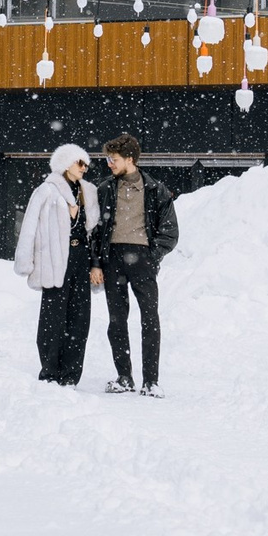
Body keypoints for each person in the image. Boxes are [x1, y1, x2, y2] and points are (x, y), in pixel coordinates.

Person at [93, 134, 179, 394]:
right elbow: (95, 231)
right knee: (117, 321)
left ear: (129, 159)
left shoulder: (156, 189)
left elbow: (170, 232)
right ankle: (124, 378)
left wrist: (152, 257)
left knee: (150, 320)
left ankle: (151, 381)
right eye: (109, 159)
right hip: (112, 260)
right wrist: (97, 263)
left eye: (114, 159)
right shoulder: (105, 189)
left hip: (143, 260)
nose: (109, 163)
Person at [11, 142, 99, 386]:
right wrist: (25, 261)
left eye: (86, 163)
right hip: (54, 261)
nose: (85, 167)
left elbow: (94, 232)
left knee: (80, 319)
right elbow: (28, 228)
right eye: (80, 162)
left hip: (80, 259)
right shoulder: (46, 191)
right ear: (66, 163)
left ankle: (71, 374)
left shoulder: (88, 192)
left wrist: (95, 264)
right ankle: (50, 371)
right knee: (52, 319)